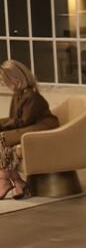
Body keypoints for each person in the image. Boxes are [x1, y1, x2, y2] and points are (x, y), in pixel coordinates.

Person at [0, 60, 58, 199]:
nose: (5, 84)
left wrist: (4, 127)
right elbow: (14, 118)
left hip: (42, 127)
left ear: (16, 79)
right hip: (28, 126)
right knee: (3, 139)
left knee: (2, 138)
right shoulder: (18, 94)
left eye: (6, 81)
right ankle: (17, 182)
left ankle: (5, 181)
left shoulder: (31, 96)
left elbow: (24, 121)